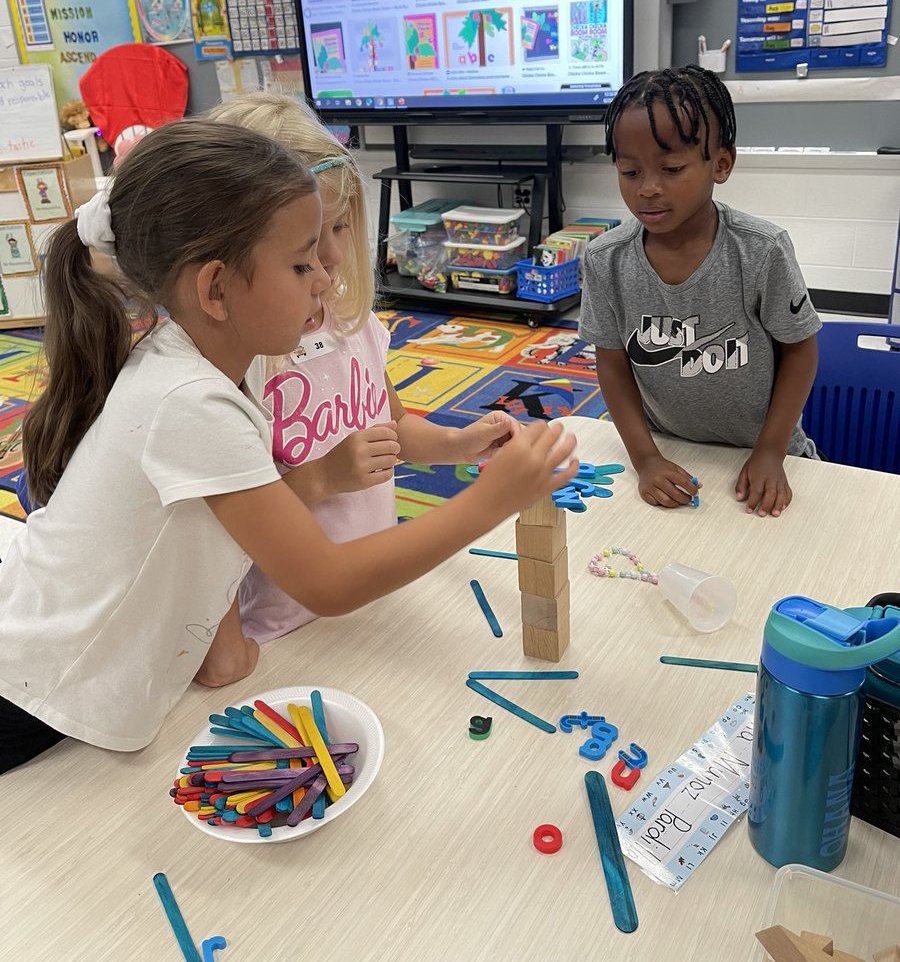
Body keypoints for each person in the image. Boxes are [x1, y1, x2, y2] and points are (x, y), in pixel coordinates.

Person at [0, 119, 577, 774]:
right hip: (34, 688)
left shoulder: (218, 365)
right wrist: (490, 500)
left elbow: (204, 533)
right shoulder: (189, 400)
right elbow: (325, 581)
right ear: (216, 289)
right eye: (302, 264)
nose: (325, 279)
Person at [206, 93, 520, 643]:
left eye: (340, 227)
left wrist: (460, 443)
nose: (330, 256)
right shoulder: (234, 360)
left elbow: (393, 427)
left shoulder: (352, 323)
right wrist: (324, 476)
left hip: (371, 586)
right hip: (284, 621)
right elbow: (218, 527)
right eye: (306, 242)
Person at [579, 65, 820, 518]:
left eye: (671, 169)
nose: (648, 189)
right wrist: (645, 458)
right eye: (630, 171)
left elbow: (800, 351)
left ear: (721, 164)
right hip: (668, 449)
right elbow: (611, 364)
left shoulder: (761, 250)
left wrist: (771, 451)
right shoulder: (604, 259)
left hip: (763, 454)